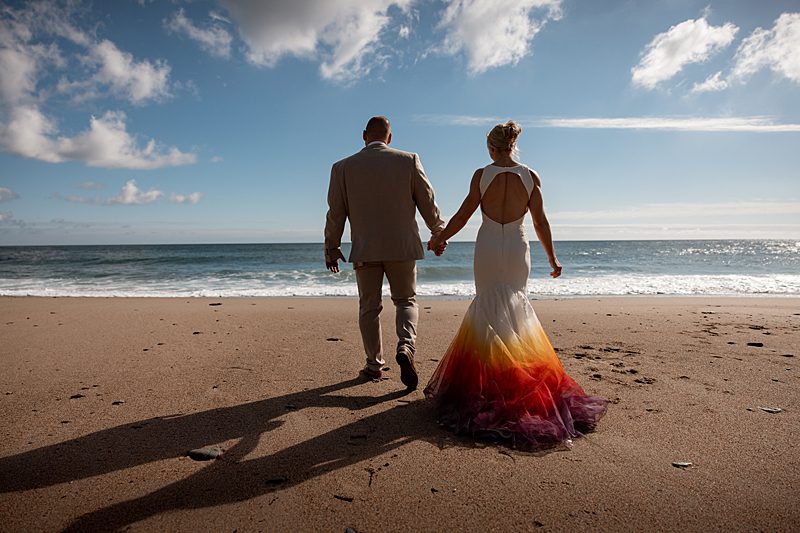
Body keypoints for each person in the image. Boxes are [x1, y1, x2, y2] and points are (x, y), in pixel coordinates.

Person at [425, 120, 607, 448]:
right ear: (512, 145)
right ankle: (516, 383)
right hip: (518, 249)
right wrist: (552, 259)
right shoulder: (530, 176)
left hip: (490, 247)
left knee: (489, 311)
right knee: (515, 311)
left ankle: (489, 389)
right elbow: (540, 221)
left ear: (492, 148)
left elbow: (464, 215)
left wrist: (440, 236)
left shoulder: (482, 175)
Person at [324, 116, 446, 389]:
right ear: (390, 137)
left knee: (369, 307)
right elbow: (428, 200)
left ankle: (373, 365)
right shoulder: (408, 160)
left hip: (366, 248)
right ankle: (406, 346)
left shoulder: (342, 167)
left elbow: (336, 213)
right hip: (402, 247)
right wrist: (438, 232)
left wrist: (332, 247)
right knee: (405, 301)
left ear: (364, 135)